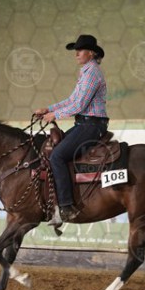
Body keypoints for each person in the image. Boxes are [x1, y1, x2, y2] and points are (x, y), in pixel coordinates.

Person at [34, 34, 109, 226]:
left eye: (80, 50)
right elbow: (72, 100)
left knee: (57, 156)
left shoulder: (92, 74)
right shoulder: (86, 72)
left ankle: (66, 207)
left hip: (92, 125)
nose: (76, 53)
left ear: (91, 53)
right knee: (56, 151)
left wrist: (55, 115)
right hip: (84, 124)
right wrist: (49, 109)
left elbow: (79, 105)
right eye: (76, 50)